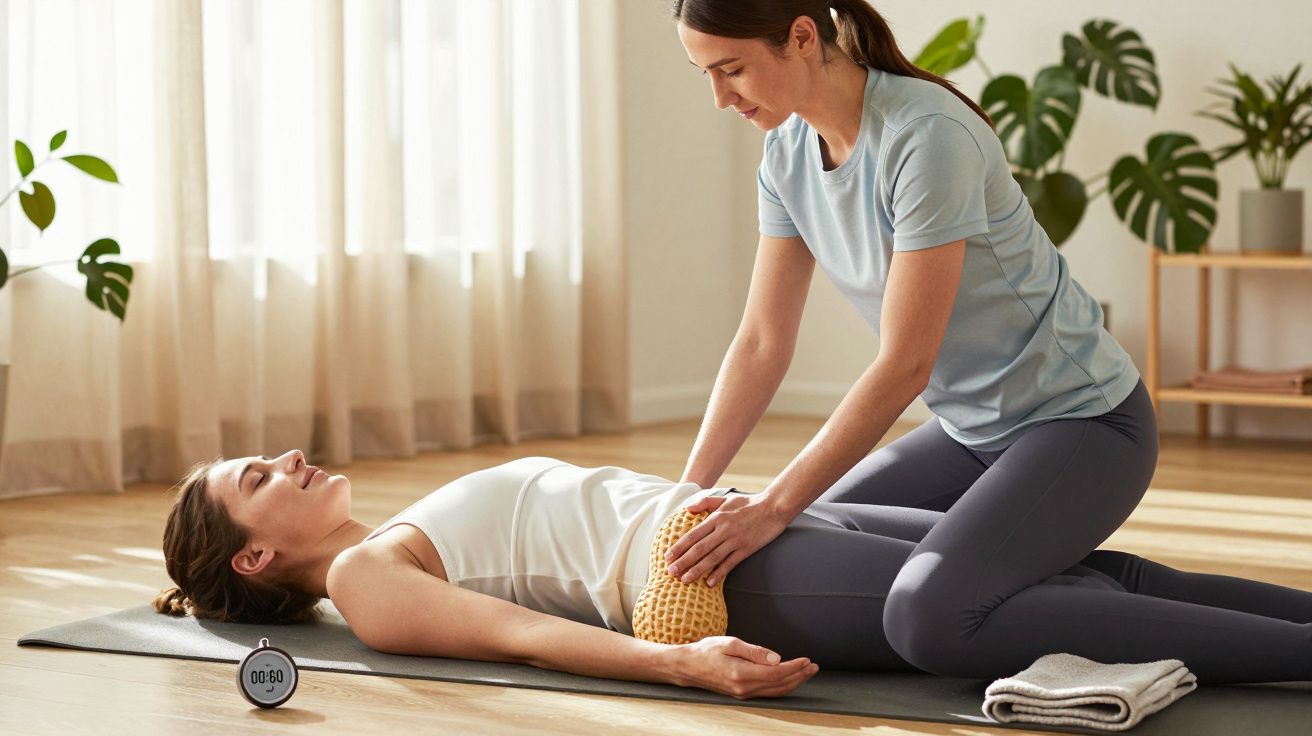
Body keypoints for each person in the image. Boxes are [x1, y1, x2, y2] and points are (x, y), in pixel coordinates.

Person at [662, 0, 1181, 679]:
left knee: (929, 614)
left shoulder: (925, 133)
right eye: (705, 73)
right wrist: (682, 495)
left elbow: (906, 364)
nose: (720, 98)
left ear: (799, 36)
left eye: (732, 70)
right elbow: (762, 341)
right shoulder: (786, 155)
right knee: (803, 552)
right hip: (969, 433)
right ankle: (1047, 578)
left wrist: (772, 504)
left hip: (1083, 423)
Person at [156, 450, 1312, 699]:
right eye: (260, 474)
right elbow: (522, 638)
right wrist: (683, 662)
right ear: (255, 552)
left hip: (749, 517)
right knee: (1051, 600)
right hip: (729, 575)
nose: (290, 455)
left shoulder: (392, 527)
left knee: (1085, 561)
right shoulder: (366, 582)